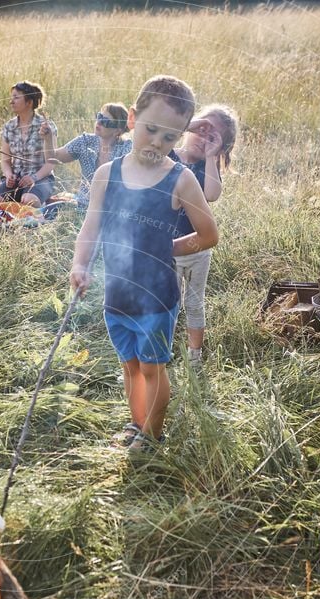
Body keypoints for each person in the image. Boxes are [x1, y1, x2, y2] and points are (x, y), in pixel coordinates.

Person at [69, 76, 218, 455]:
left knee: (152, 367)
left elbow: (208, 234)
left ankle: (152, 435)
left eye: (170, 137)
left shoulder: (180, 180)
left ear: (180, 136)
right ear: (133, 119)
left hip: (156, 297)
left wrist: (169, 249)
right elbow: (91, 226)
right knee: (130, 365)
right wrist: (81, 264)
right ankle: (136, 423)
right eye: (151, 130)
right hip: (117, 292)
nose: (157, 143)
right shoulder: (106, 175)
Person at [169, 104, 239, 367]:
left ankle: (194, 357)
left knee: (195, 303)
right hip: (170, 247)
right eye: (201, 130)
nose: (203, 138)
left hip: (198, 249)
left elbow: (211, 194)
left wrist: (211, 156)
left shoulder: (206, 167)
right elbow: (159, 134)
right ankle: (163, 350)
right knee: (169, 302)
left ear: (220, 148)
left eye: (213, 137)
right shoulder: (169, 156)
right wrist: (189, 124)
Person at [40, 103, 132, 209]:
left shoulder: (126, 148)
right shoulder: (85, 141)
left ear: (117, 130)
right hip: (83, 205)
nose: (99, 122)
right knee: (50, 209)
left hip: (112, 209)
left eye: (105, 121)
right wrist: (48, 139)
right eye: (99, 117)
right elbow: (53, 157)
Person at [0, 81, 57, 208]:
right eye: (11, 97)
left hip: (41, 178)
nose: (11, 101)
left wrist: (34, 178)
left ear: (29, 102)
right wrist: (9, 176)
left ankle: (43, 199)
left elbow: (51, 162)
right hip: (17, 180)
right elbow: (5, 161)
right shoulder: (9, 127)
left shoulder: (46, 126)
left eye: (16, 97)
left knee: (29, 200)